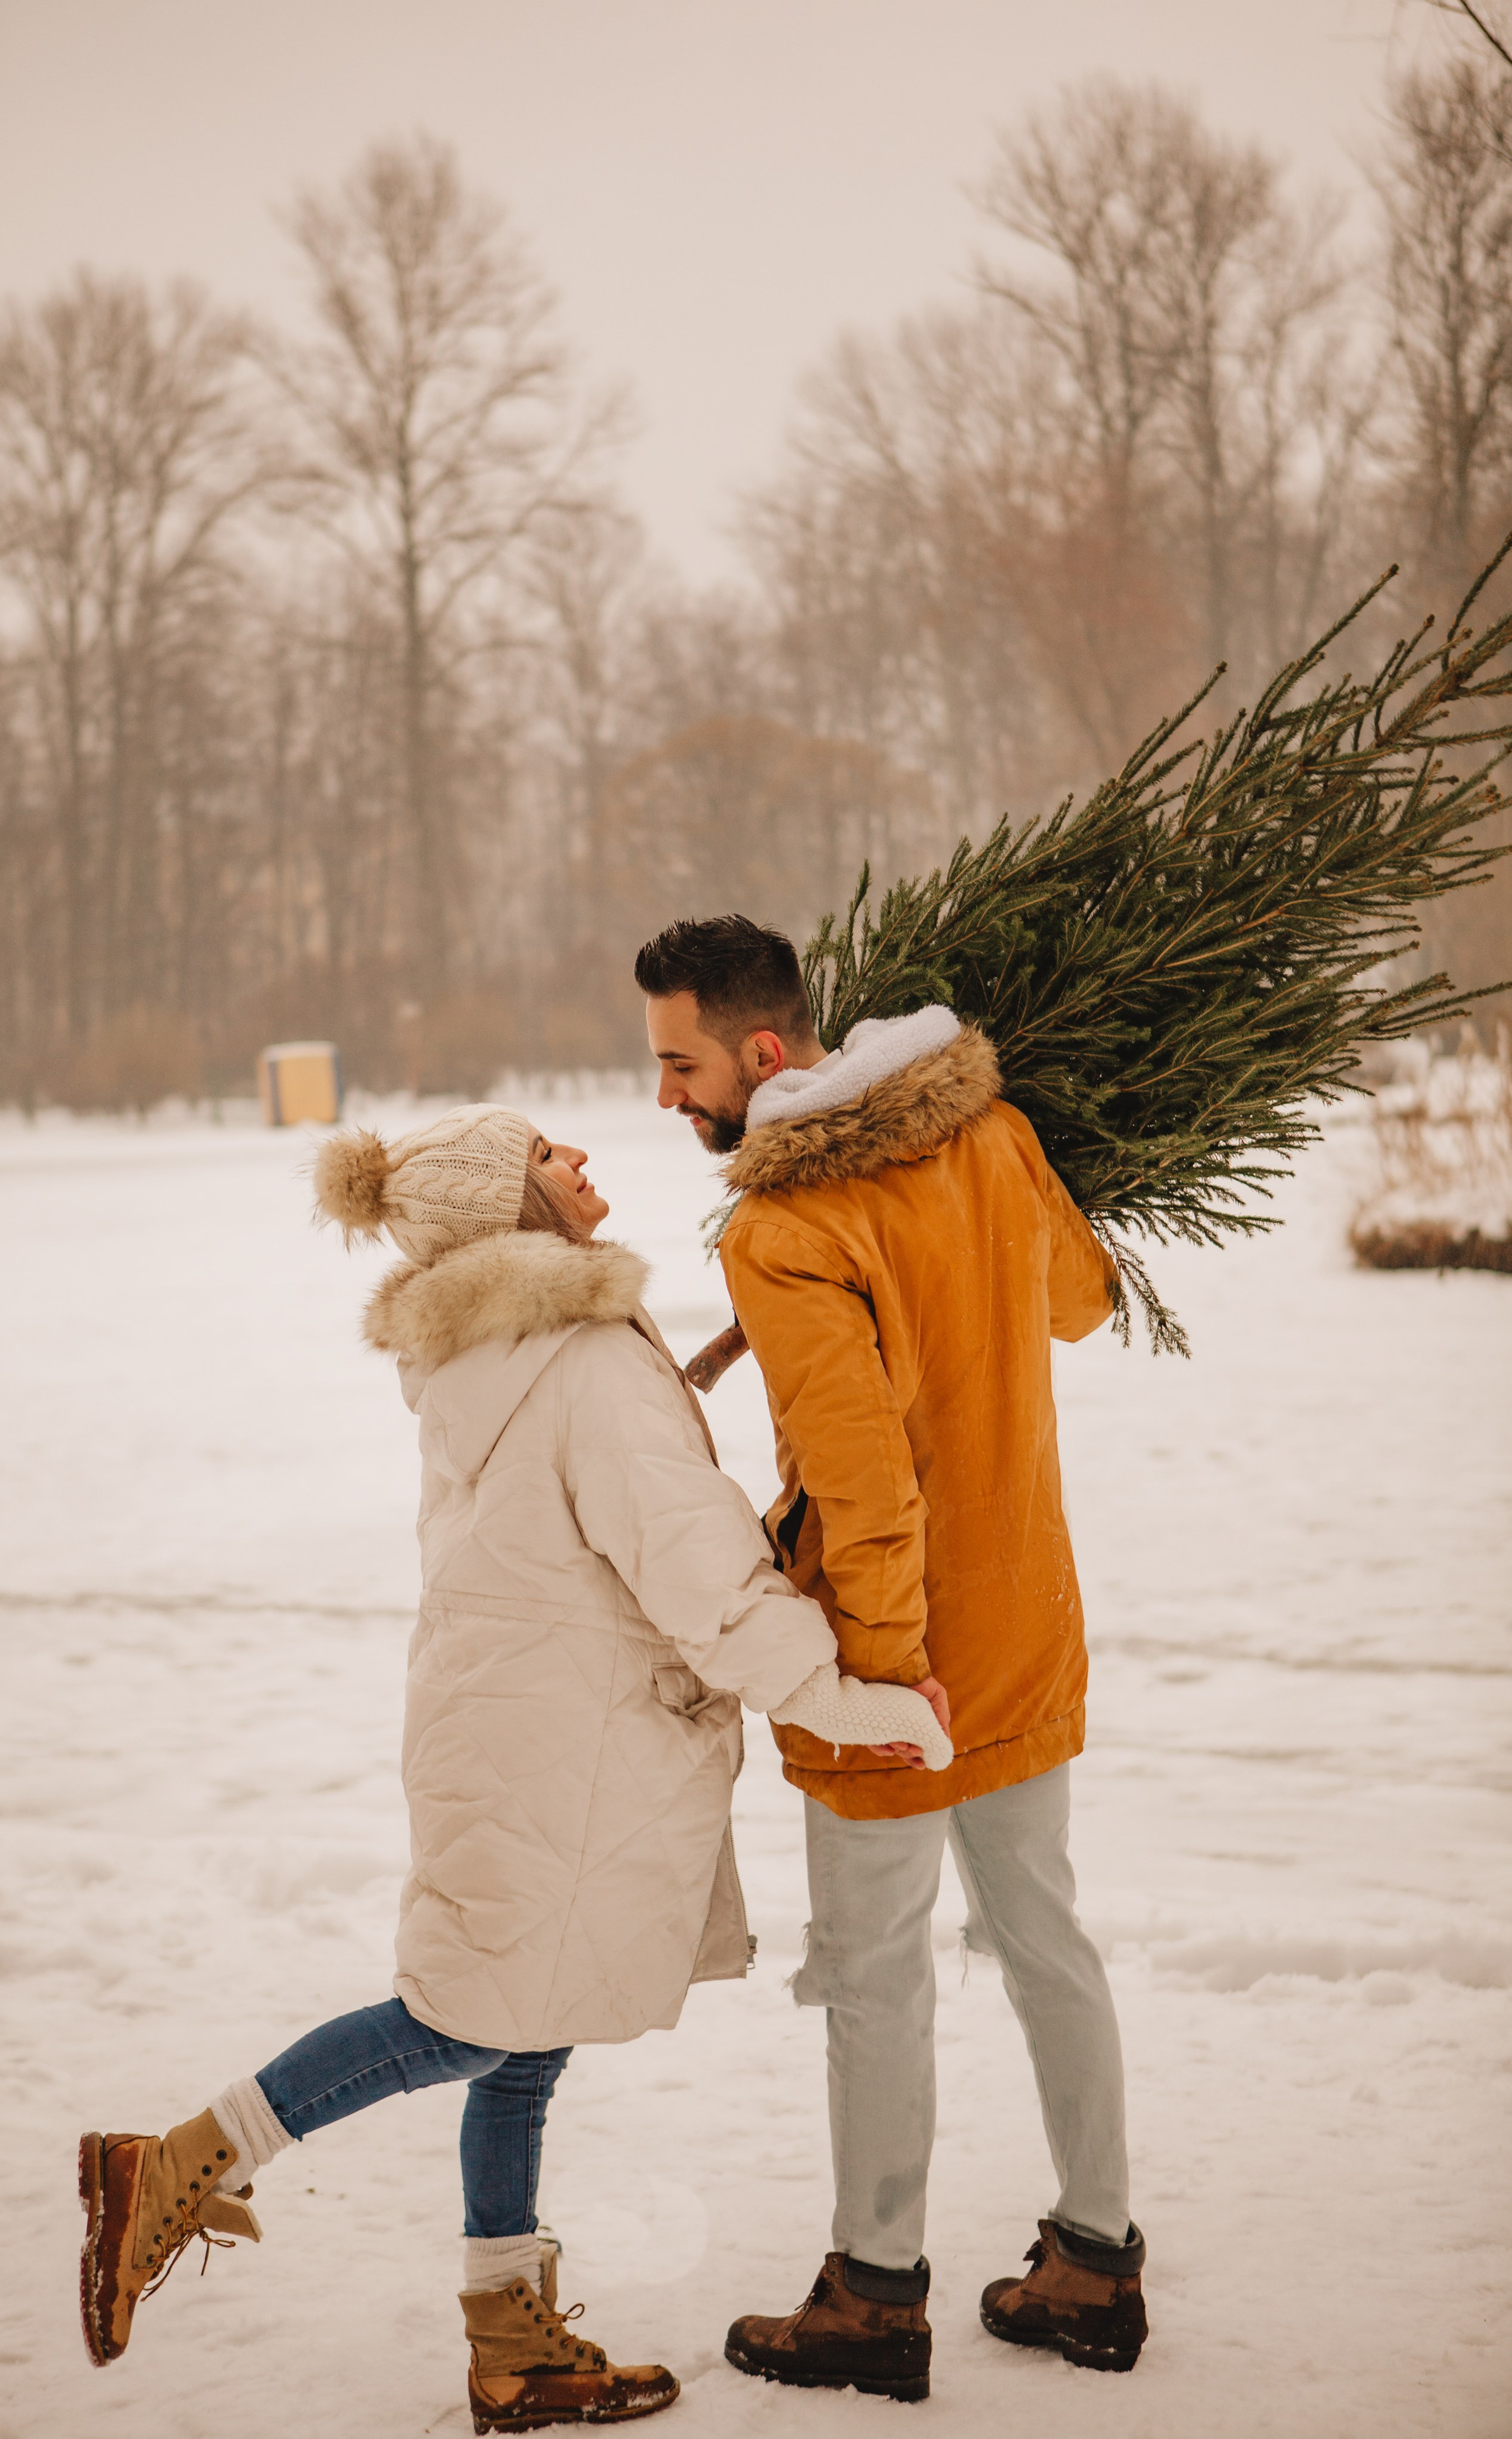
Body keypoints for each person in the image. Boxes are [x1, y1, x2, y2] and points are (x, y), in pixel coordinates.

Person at [76, 1101, 948, 2434]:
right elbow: (694, 1569)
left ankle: (511, 2351)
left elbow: (587, 1472)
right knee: (466, 2018)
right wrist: (838, 1694)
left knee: (523, 2033)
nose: (581, 1158)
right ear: (512, 1212)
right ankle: (182, 2161)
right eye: (549, 1155)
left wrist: (683, 1374)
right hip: (563, 1743)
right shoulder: (586, 1360)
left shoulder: (503, 1348)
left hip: (516, 1721)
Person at [637, 913, 1148, 2404]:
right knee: (1044, 1932)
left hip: (898, 1657)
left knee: (872, 1975)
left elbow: (861, 1491)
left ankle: (872, 2298)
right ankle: (1095, 2262)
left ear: (765, 1052)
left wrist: (881, 1680)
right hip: (1026, 1622)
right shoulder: (984, 1131)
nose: (666, 1096)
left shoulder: (784, 1231)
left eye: (679, 1064)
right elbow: (1076, 1300)